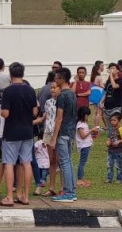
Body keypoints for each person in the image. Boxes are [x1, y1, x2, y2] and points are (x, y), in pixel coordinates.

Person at [0, 62, 37, 207]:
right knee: (26, 162)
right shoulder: (31, 90)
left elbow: (5, 113)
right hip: (27, 131)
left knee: (9, 163)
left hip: (12, 131)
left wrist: (1, 111)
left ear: (10, 74)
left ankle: (9, 196)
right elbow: (35, 112)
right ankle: (25, 195)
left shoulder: (8, 91)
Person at [50, 67, 78, 203]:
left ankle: (68, 192)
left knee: (64, 162)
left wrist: (54, 137)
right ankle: (72, 190)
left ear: (62, 79)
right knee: (69, 161)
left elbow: (59, 118)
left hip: (63, 133)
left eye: (56, 78)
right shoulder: (72, 94)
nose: (55, 80)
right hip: (71, 132)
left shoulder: (62, 95)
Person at [39, 80, 60, 197]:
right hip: (48, 132)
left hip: (58, 133)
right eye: (51, 88)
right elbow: (46, 117)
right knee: (51, 160)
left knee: (60, 161)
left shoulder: (62, 102)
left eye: (55, 87)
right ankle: (51, 187)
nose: (52, 90)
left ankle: (63, 187)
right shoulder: (48, 102)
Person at [76, 106, 98, 187]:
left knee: (83, 162)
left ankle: (81, 178)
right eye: (87, 115)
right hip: (83, 146)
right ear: (83, 115)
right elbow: (82, 136)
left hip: (87, 145)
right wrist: (91, 130)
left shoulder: (84, 123)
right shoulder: (80, 124)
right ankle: (79, 179)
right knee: (82, 162)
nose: (87, 117)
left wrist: (93, 134)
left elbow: (86, 133)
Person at [105, 113, 122, 184]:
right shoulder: (110, 129)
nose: (112, 122)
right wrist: (107, 142)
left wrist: (119, 141)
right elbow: (109, 138)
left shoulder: (120, 129)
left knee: (118, 165)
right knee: (109, 165)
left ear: (118, 121)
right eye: (111, 120)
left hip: (118, 151)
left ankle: (119, 178)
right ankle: (109, 178)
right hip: (110, 150)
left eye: (114, 120)